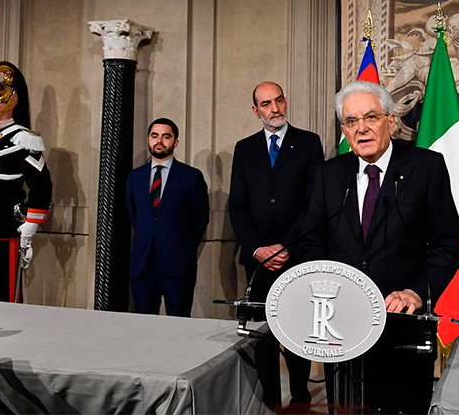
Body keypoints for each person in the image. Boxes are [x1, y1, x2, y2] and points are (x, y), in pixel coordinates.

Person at [299, 80, 459, 414]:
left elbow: (449, 244)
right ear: (344, 130)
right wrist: (325, 288)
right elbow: (310, 242)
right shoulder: (329, 174)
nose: (361, 128)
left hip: (402, 325)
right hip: (341, 323)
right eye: (351, 121)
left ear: (390, 121)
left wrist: (417, 292)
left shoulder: (425, 167)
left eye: (370, 117)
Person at [228, 81, 324, 408]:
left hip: (296, 257)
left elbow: (313, 203)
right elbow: (237, 207)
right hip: (258, 262)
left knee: (297, 331)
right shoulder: (244, 148)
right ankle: (269, 401)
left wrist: (285, 246)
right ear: (256, 111)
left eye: (279, 100)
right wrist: (257, 249)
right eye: (266, 104)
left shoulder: (309, 143)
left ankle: (300, 401)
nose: (275, 108)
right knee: (262, 337)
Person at [0, 62, 52, 302]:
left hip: (3, 230)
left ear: (11, 103)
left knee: (5, 297)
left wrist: (31, 224)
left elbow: (41, 186)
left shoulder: (23, 139)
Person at [126, 118, 209, 317]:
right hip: (142, 266)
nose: (159, 141)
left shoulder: (191, 176)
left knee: (178, 326)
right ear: (148, 140)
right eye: (155, 136)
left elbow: (200, 219)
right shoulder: (135, 177)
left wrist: (181, 246)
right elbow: (134, 215)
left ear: (175, 142)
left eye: (166, 136)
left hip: (178, 266)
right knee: (143, 327)